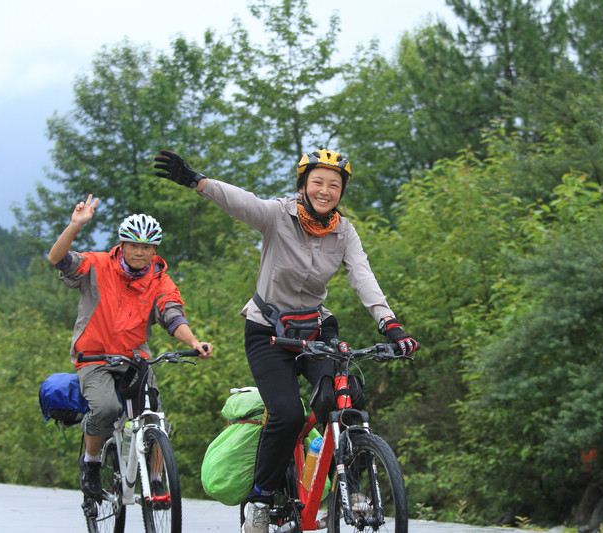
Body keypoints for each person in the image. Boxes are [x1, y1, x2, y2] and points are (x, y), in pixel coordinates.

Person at [153, 149, 419, 533]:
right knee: (288, 414)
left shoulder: (344, 231)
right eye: (318, 182)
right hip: (268, 331)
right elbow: (240, 203)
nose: (325, 191)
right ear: (303, 185)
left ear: (342, 191)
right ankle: (261, 500)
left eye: (334, 184)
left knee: (346, 400)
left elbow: (362, 276)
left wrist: (389, 322)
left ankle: (350, 490)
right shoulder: (278, 215)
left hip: (315, 329)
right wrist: (196, 181)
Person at [47, 195, 213, 499]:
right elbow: (57, 259)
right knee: (107, 408)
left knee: (155, 416)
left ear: (154, 250)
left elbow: (173, 314)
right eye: (134, 245)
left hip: (135, 359)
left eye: (147, 247)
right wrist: (75, 225)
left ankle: (157, 478)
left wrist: (194, 342)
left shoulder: (159, 279)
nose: (140, 252)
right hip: (93, 358)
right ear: (122, 245)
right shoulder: (96, 266)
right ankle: (92, 464)